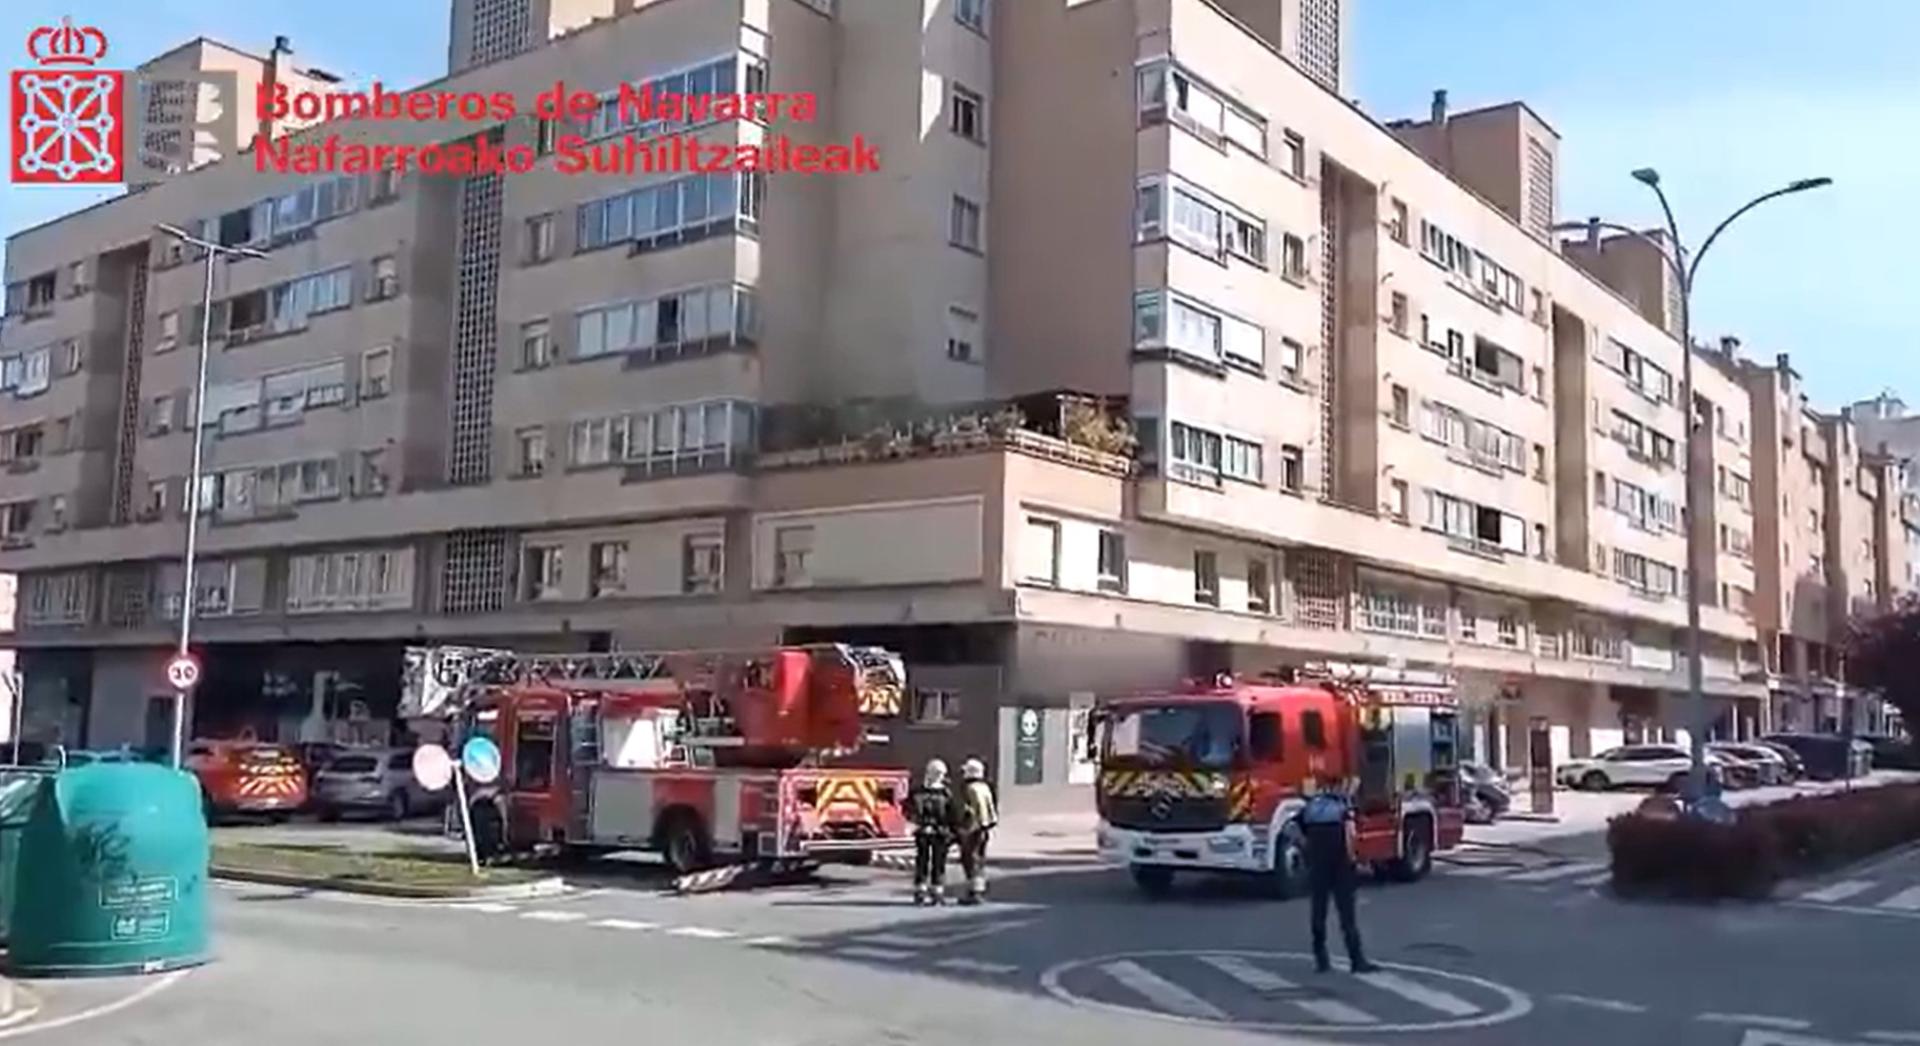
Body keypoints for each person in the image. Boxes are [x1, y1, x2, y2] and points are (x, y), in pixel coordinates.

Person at [1298, 780, 1378, 974]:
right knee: (1347, 914)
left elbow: (1298, 831)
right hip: (1340, 862)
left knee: (1319, 910)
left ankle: (1321, 958)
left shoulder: (1311, 807)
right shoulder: (1343, 807)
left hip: (1317, 862)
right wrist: (1357, 861)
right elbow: (1350, 835)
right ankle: (1356, 960)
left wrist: (1307, 852)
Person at [905, 758, 955, 905]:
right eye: (937, 773)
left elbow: (951, 814)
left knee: (936, 862)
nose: (939, 776)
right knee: (924, 861)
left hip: (937, 832)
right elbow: (910, 810)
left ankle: (934, 891)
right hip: (927, 832)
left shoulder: (943, 793)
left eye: (940, 773)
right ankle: (924, 890)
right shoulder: (942, 794)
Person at [952, 757, 999, 904]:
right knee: (979, 860)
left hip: (972, 829)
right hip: (984, 828)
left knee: (970, 860)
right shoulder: (985, 787)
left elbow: (965, 811)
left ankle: (973, 892)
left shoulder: (969, 789)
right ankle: (979, 889)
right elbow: (991, 809)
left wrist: (961, 828)